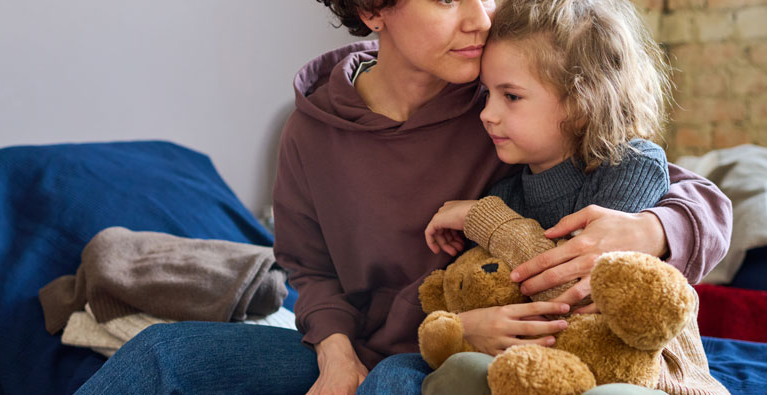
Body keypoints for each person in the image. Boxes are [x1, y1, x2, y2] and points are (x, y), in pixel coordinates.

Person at [74, 1, 731, 394]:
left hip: (457, 349)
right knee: (163, 353)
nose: (480, 17)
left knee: (395, 383)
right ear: (374, 11)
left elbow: (674, 183)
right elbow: (309, 267)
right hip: (369, 342)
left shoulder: (502, 97)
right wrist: (332, 348)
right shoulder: (312, 130)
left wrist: (651, 229)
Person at [419, 0, 728, 393]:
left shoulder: (632, 165)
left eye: (510, 96)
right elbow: (488, 291)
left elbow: (582, 291)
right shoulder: (505, 192)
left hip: (646, 375)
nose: (487, 113)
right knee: (459, 371)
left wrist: (487, 220)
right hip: (543, 367)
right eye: (488, 94)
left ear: (582, 103)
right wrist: (465, 326)